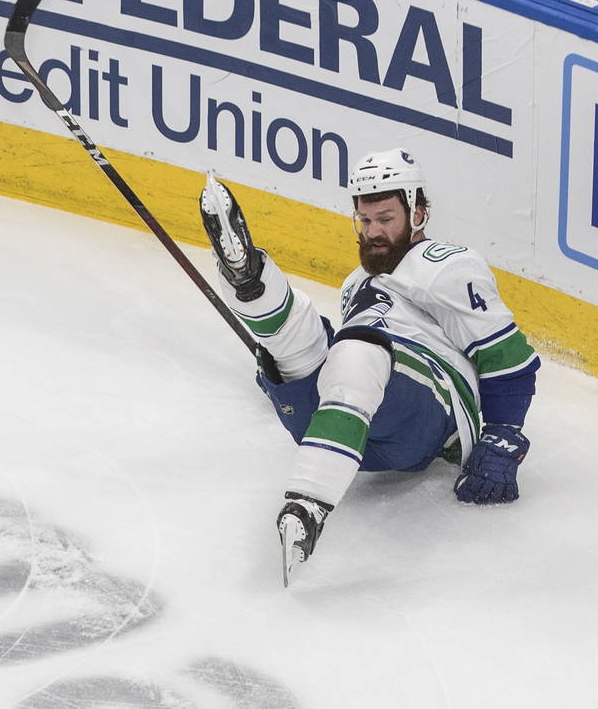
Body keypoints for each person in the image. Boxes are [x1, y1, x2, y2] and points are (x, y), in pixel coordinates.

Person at [199, 148, 541, 586]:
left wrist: (503, 433)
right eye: (365, 221)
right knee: (302, 340)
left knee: (357, 348)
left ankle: (307, 506)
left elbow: (506, 357)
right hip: (357, 418)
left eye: (386, 218)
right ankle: (251, 281)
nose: (373, 232)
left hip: (425, 412)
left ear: (418, 212)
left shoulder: (448, 265)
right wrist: (285, 372)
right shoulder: (355, 284)